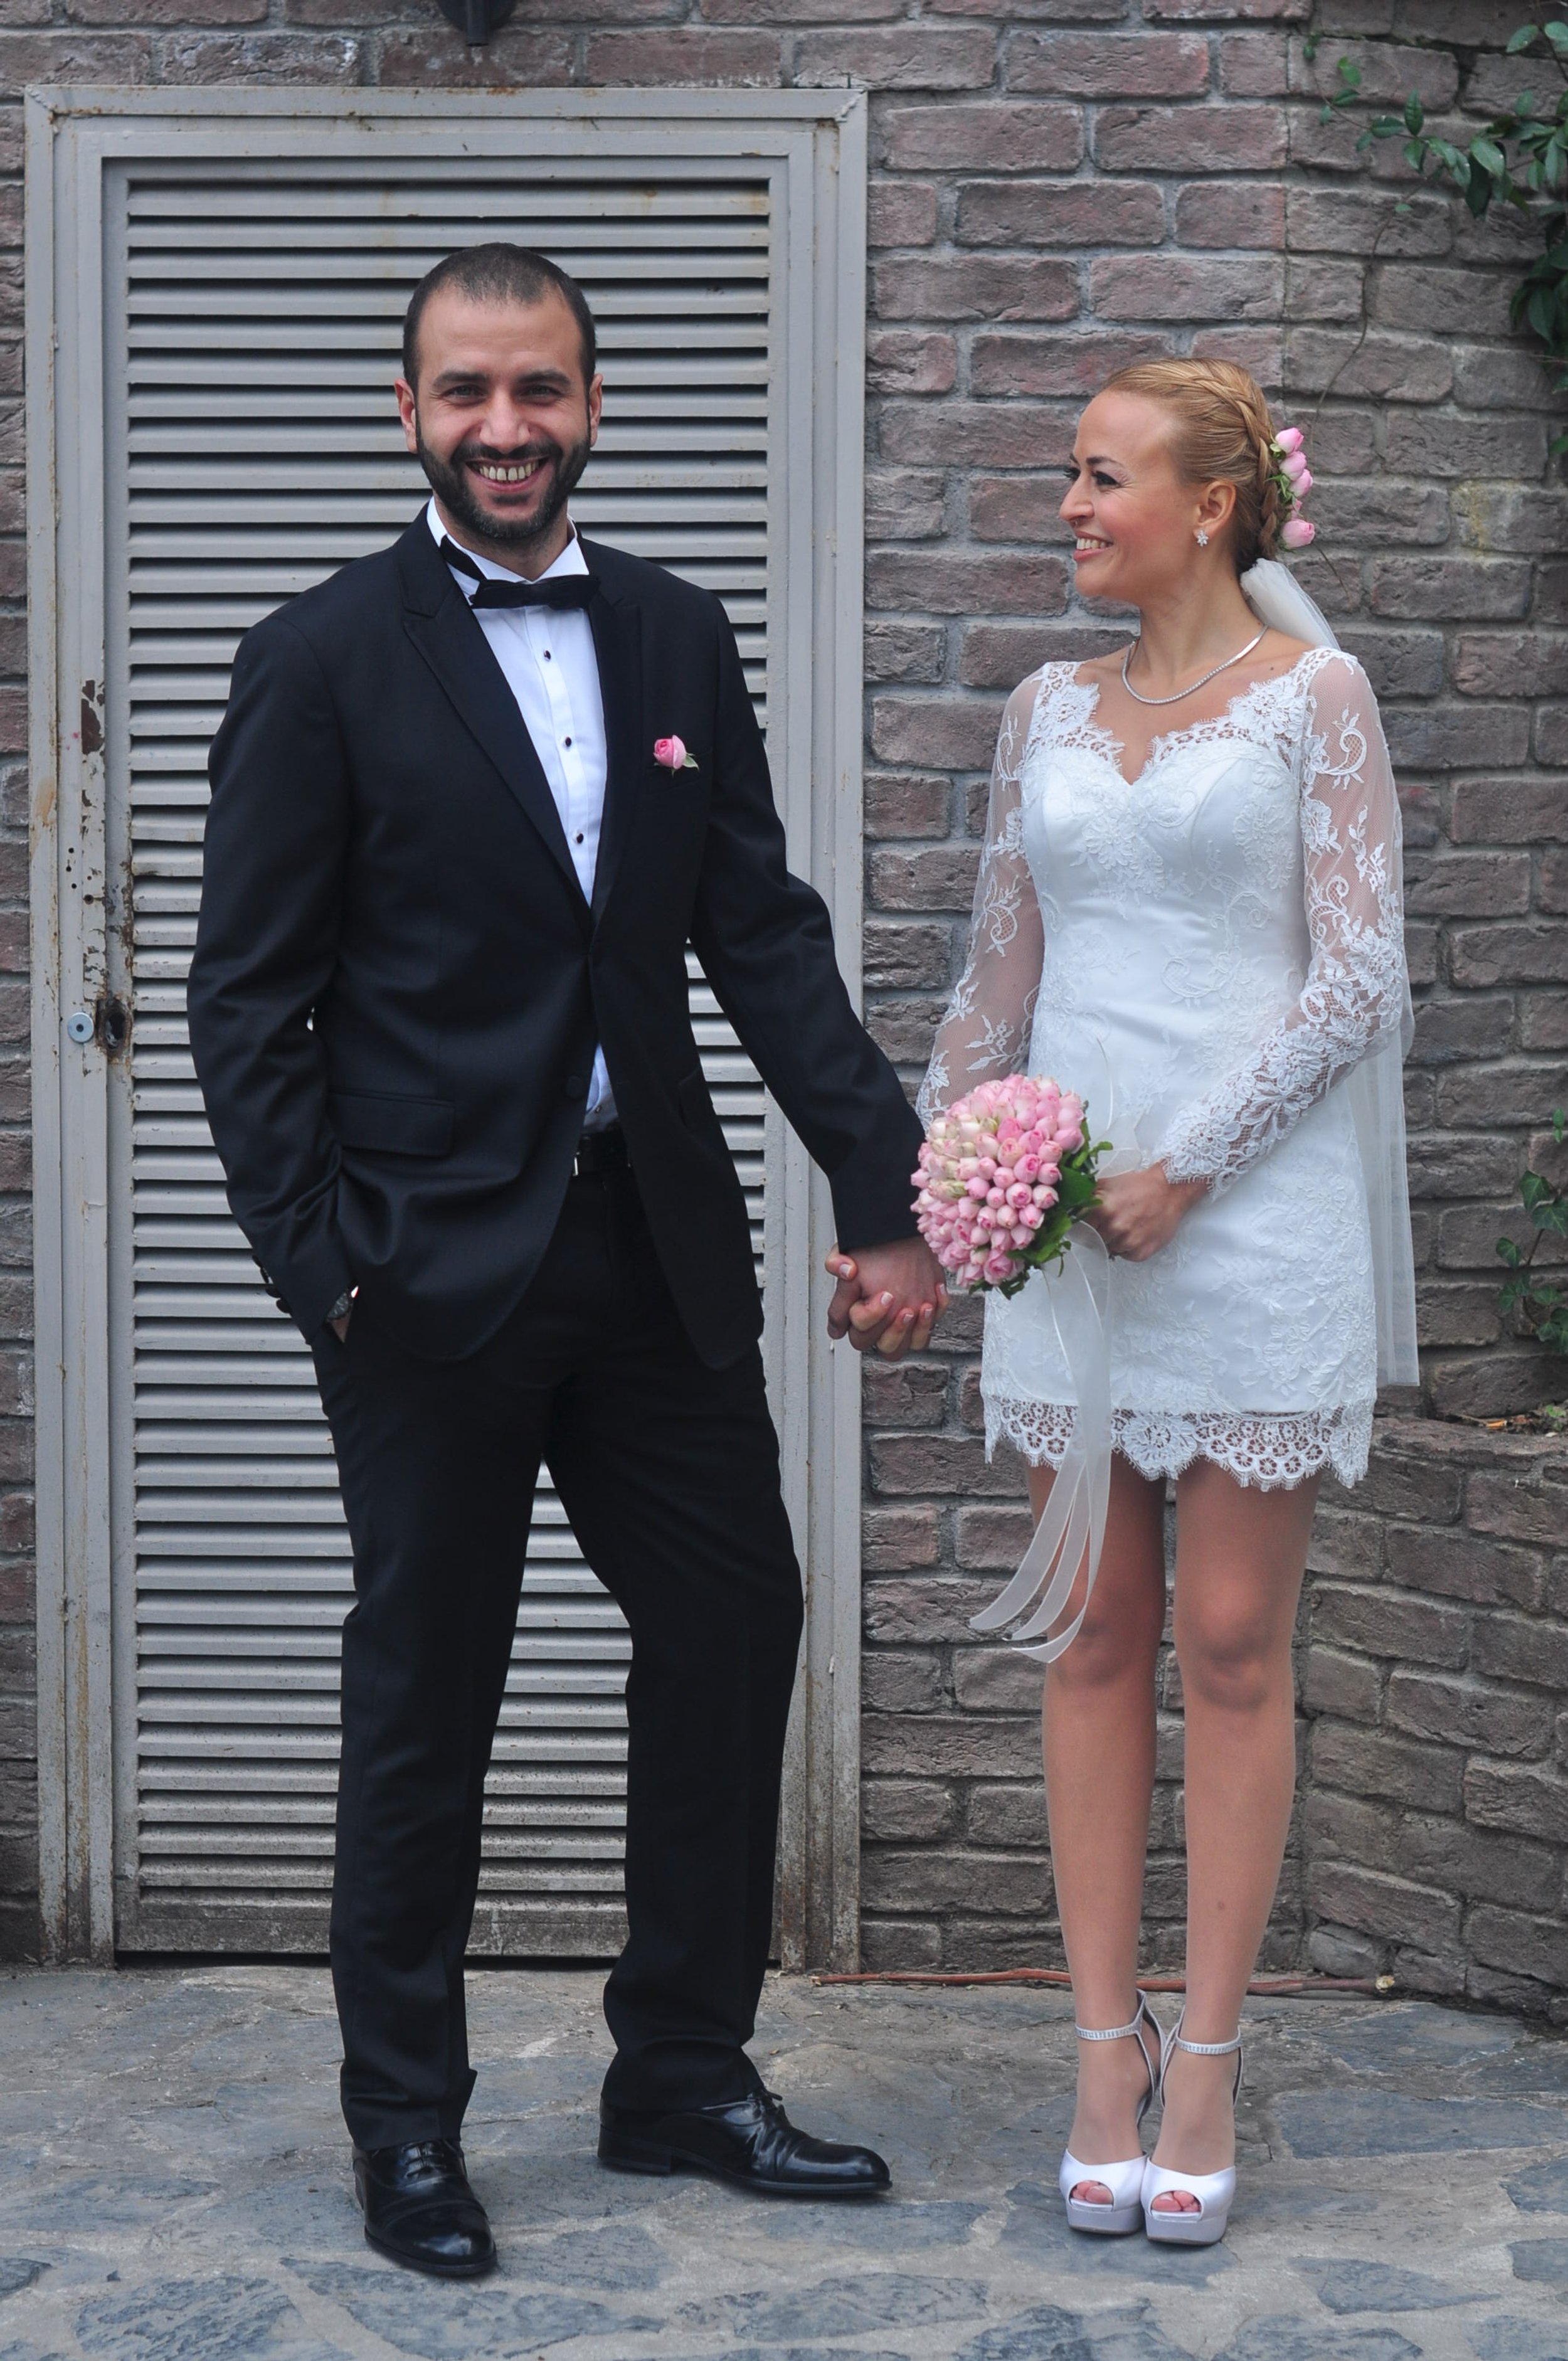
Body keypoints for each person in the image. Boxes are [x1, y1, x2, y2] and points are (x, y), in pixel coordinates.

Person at [188, 242, 944, 2279]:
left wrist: (878, 1186)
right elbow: (245, 998)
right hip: (423, 1271)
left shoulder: (676, 633)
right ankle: (405, 2127)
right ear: (408, 413)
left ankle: (679, 2069)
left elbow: (758, 930)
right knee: (427, 1692)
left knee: (732, 1623)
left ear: (594, 403)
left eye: (538, 389)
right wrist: (320, 1265)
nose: (503, 427)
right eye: (465, 391)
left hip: (651, 1245)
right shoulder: (317, 655)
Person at [916, 358, 1415, 2246]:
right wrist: (946, 1179)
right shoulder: (1042, 707)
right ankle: (1098, 2055)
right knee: (1094, 1633)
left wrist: (1188, 1163)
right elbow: (996, 972)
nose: (1069, 503)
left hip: (1249, 1220)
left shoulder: (1314, 700)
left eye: (1100, 475)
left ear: (1210, 506)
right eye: (1071, 472)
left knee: (1227, 1639)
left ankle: (1206, 2056)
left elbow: (1356, 977)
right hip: (1064, 1227)